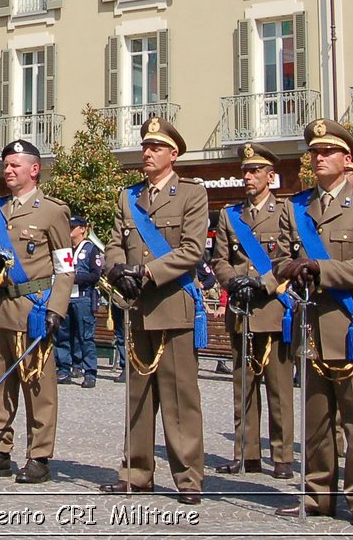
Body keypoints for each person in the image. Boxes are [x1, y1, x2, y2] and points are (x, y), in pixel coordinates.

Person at [271, 119, 353, 527]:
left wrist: (318, 267)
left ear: (346, 159)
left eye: (327, 152)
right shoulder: (295, 206)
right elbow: (280, 259)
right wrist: (292, 269)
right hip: (310, 323)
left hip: (352, 322)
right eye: (314, 153)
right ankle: (318, 492)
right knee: (317, 417)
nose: (319, 159)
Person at [99, 117, 206, 500]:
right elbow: (113, 242)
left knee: (180, 399)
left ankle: (189, 478)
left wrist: (145, 271)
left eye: (156, 148)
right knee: (138, 397)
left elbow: (193, 250)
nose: (147, 153)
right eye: (145, 146)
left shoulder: (192, 194)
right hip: (136, 308)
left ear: (173, 154)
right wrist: (117, 270)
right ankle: (136, 472)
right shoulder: (128, 197)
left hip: (172, 305)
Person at [0, 139, 74, 484]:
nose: (8, 171)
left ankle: (39, 455)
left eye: (15, 166)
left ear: (34, 169)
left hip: (34, 309)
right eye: (6, 165)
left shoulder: (52, 211)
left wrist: (57, 307)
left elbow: (65, 267)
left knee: (38, 387)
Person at [211, 142, 295, 479]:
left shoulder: (285, 211)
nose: (248, 177)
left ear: (270, 176)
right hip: (241, 310)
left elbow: (289, 255)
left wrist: (265, 283)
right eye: (245, 171)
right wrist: (233, 282)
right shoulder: (231, 215)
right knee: (243, 386)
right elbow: (218, 259)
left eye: (255, 171)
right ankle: (246, 454)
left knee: (279, 389)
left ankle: (283, 456)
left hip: (273, 308)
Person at [56, 216, 103, 387]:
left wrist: (74, 278)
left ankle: (90, 372)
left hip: (83, 297)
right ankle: (64, 369)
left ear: (82, 229)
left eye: (73, 227)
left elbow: (95, 275)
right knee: (63, 335)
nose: (70, 230)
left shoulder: (90, 249)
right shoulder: (66, 249)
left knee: (85, 336)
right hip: (66, 297)